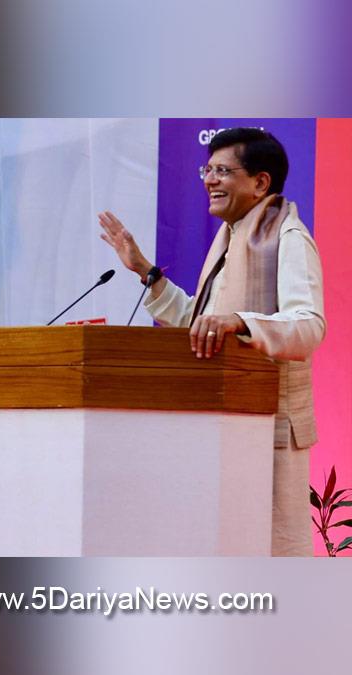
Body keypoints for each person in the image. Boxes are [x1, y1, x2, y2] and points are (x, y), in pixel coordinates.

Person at [98, 127, 324, 556]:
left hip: (269, 426)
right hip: (223, 422)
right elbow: (203, 324)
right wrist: (146, 271)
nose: (209, 180)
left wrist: (239, 322)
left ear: (260, 182)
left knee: (272, 554)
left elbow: (309, 326)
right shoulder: (231, 237)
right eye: (208, 169)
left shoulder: (287, 238)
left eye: (223, 170)